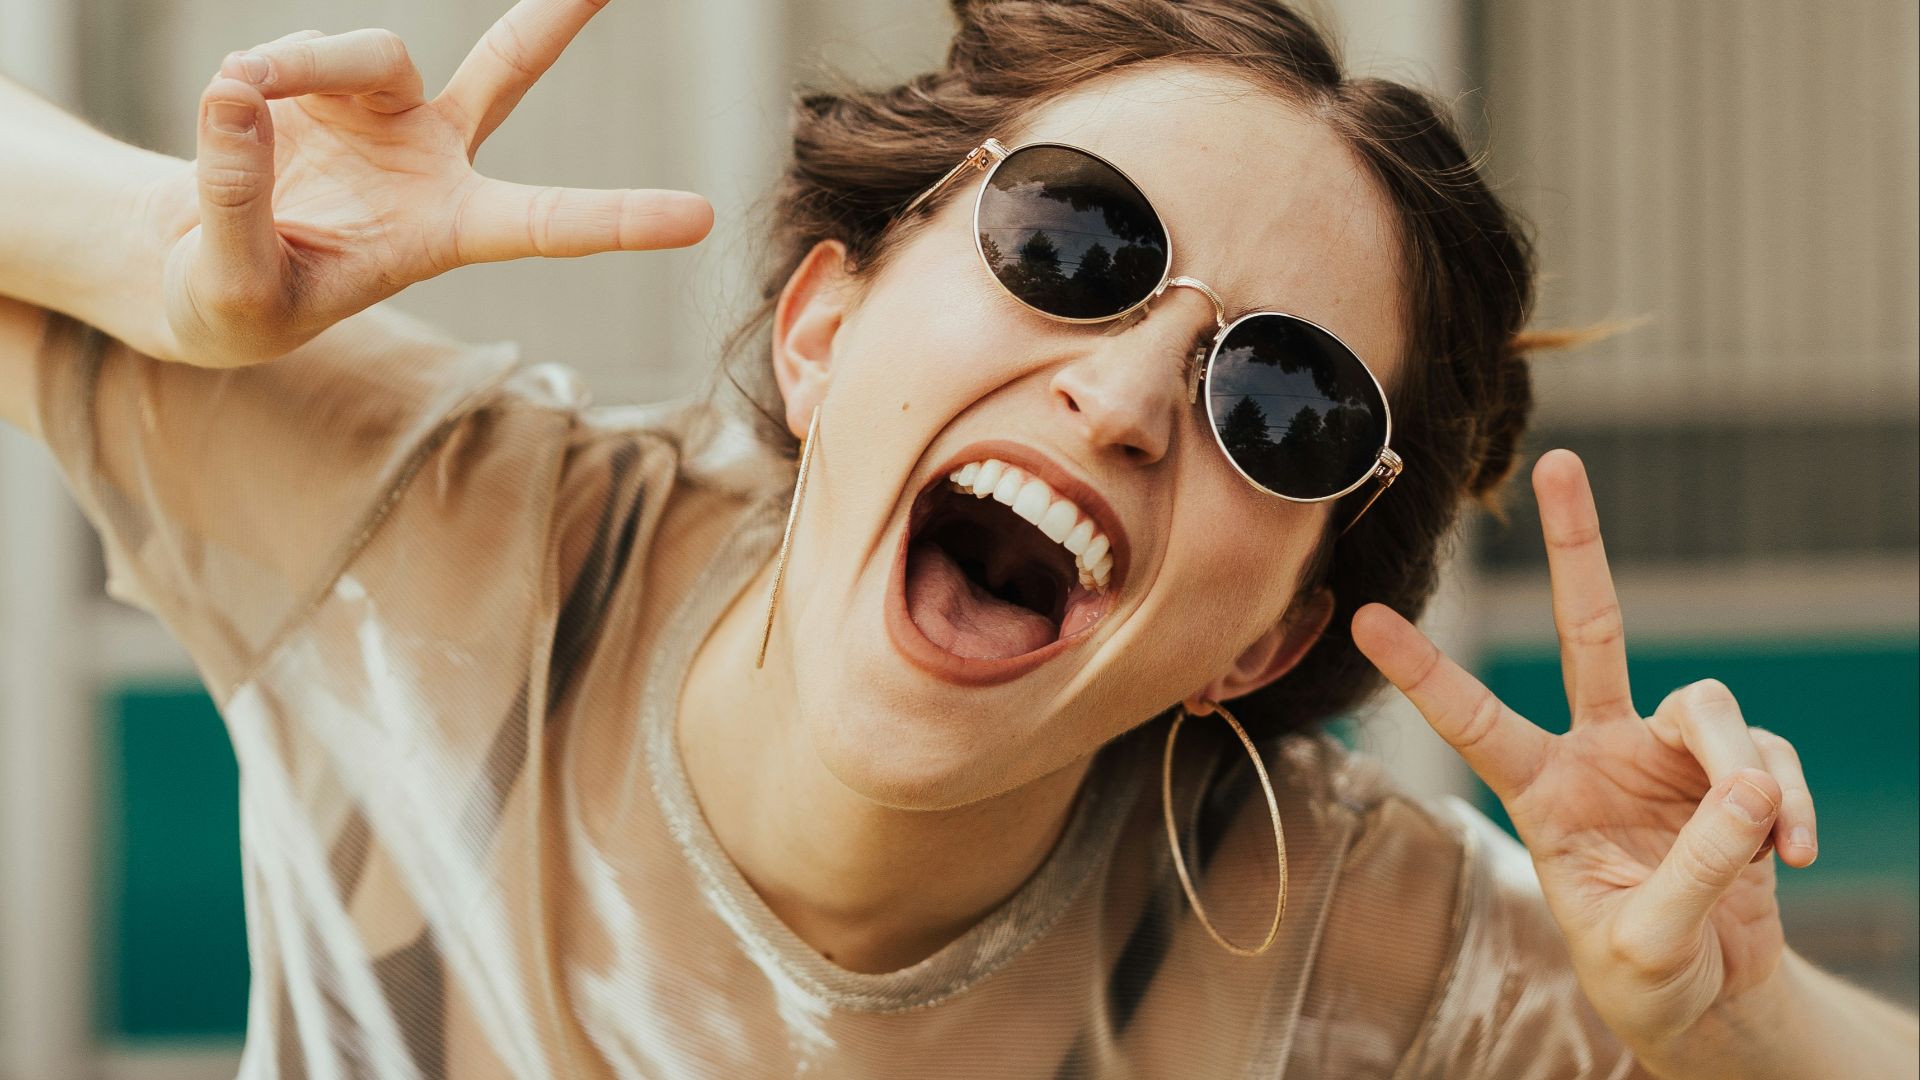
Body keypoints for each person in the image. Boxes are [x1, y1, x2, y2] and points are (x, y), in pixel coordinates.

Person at [1, 1, 1914, 1076]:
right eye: (1075, 245)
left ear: (1260, 645)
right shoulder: (444, 540)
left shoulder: (1337, 939)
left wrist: (1731, 1013)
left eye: (1282, 405)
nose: (1128, 395)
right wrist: (153, 255)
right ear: (825, 328)